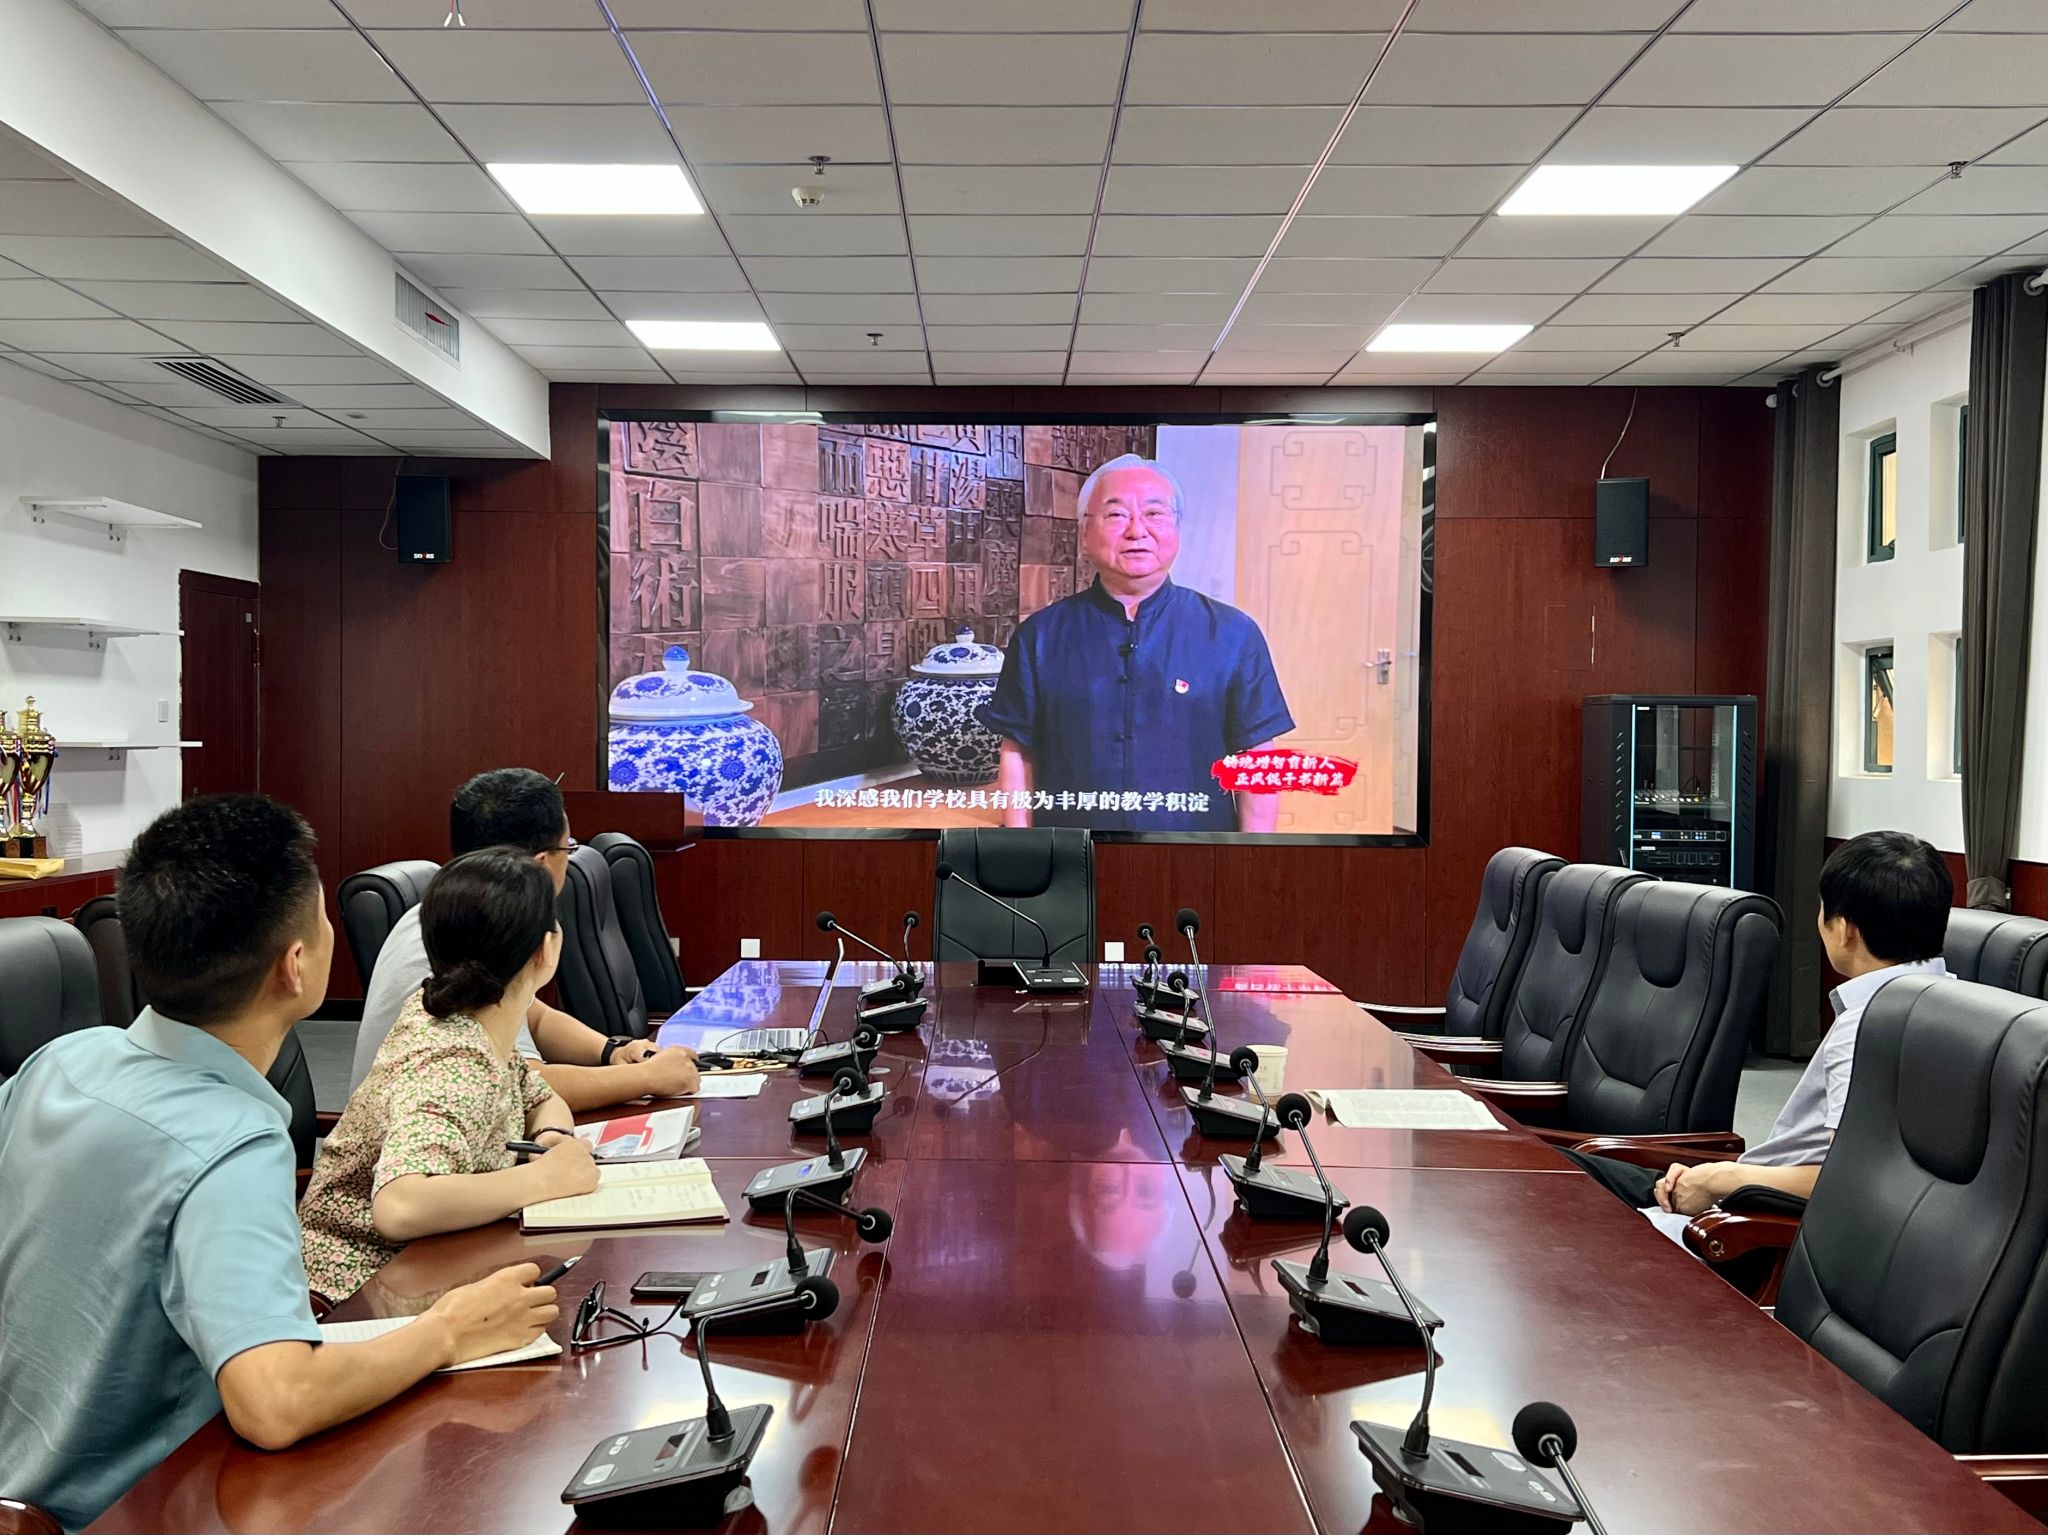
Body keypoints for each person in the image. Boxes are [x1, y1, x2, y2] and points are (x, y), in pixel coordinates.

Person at [0, 796, 558, 1529]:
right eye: (321, 919)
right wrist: (449, 1329)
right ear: (295, 966)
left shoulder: (59, 1061)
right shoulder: (231, 1143)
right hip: (128, 1509)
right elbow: (276, 1401)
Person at [1565, 830, 1953, 1234]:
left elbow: (1850, 1181)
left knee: (1554, 1179)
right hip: (1757, 1193)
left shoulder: (1868, 1026)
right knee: (1563, 1164)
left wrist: (1721, 1179)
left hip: (1751, 1223)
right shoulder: (1954, 1005)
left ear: (1844, 929)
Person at [302, 849, 602, 1299]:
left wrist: (552, 1139)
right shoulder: (453, 1060)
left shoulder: (471, 1019)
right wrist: (545, 1179)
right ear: (545, 950)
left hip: (431, 1261)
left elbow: (540, 1096)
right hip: (361, 1292)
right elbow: (400, 1205)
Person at [977, 454, 1295, 834]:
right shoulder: (1040, 635)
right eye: (1116, 515)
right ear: (1085, 533)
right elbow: (1017, 752)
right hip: (1071, 853)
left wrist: (1251, 856)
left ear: (1177, 528)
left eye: (1154, 513)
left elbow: (1257, 758)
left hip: (1195, 851)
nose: (1136, 531)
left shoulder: (1233, 633)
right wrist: (1020, 848)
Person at [346, 767, 698, 1108]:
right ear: (541, 863)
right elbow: (520, 1090)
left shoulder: (462, 913)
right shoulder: (471, 936)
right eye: (569, 847)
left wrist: (614, 1051)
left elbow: (532, 1014)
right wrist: (647, 1077)